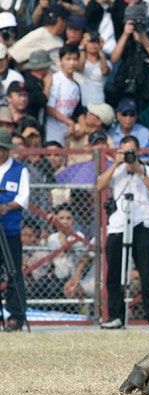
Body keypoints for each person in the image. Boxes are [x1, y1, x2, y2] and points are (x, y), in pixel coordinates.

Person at [97, 135, 149, 330]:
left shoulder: (148, 169)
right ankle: (115, 316)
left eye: (131, 152)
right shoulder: (115, 170)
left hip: (140, 221)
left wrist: (139, 171)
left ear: (138, 151)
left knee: (147, 270)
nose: (128, 156)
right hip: (118, 224)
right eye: (124, 152)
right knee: (114, 272)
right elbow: (100, 185)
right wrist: (115, 165)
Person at [109, 2, 149, 111]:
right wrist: (125, 35)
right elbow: (114, 59)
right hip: (127, 89)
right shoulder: (125, 40)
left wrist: (144, 40)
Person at [0, 128, 30, 331]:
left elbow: (23, 198)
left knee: (14, 272)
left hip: (9, 230)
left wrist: (7, 206)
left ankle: (16, 316)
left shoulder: (20, 170)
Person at [45, 44, 85, 145]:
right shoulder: (55, 80)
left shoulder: (76, 85)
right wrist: (70, 122)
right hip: (52, 129)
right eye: (68, 59)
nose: (72, 63)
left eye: (75, 59)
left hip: (67, 130)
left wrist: (83, 126)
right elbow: (49, 108)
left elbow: (78, 109)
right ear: (61, 60)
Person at [8, 4, 67, 72]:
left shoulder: (60, 40)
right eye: (65, 21)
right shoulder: (39, 34)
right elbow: (11, 54)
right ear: (60, 20)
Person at [76, 30, 111, 107]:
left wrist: (101, 50)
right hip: (82, 103)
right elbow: (80, 68)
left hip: (99, 102)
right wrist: (82, 48)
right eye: (90, 42)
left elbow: (105, 71)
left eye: (96, 42)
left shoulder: (106, 62)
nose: (93, 45)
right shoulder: (78, 60)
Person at [20, 50, 53, 125]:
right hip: (30, 123)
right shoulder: (29, 83)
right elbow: (41, 101)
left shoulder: (40, 82)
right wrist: (48, 85)